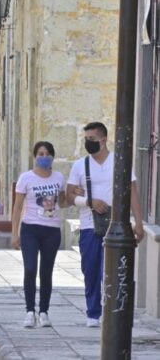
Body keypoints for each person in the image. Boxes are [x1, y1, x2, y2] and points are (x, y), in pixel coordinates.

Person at [66, 122, 145, 328]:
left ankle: (110, 311)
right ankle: (93, 313)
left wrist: (138, 222)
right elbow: (69, 194)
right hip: (89, 225)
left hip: (117, 224)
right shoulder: (80, 165)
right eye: (86, 139)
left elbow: (133, 192)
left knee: (110, 270)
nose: (88, 143)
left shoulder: (119, 162)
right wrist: (89, 202)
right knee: (90, 270)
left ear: (103, 140)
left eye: (91, 139)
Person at [11, 141, 70, 329]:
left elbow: (62, 201)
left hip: (52, 231)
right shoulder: (26, 178)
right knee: (30, 269)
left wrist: (76, 196)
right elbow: (18, 206)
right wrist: (15, 233)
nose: (44, 157)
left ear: (52, 157)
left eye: (47, 154)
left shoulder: (59, 178)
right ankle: (30, 311)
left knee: (46, 272)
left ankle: (44, 311)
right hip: (30, 229)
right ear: (35, 156)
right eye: (40, 154)